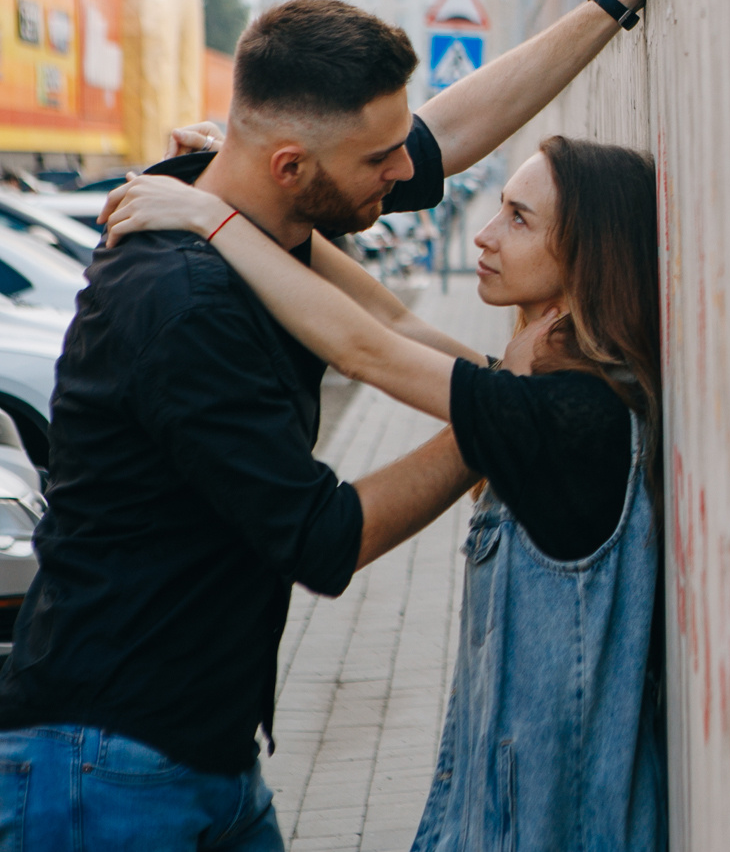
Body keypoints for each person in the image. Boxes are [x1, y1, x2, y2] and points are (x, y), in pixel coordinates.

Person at [0, 0, 665, 850]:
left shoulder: (261, 208)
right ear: (288, 164)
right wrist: (514, 416)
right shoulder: (185, 300)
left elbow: (427, 181)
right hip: (107, 768)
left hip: (204, 756)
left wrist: (611, 1)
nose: (405, 177)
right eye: (379, 162)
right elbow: (324, 530)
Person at [101, 135, 664, 851]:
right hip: (508, 813)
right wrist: (245, 198)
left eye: (519, 219)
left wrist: (214, 222)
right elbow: (392, 320)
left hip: (552, 826)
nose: (485, 235)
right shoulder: (546, 398)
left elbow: (364, 348)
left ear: (589, 252)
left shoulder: (571, 418)